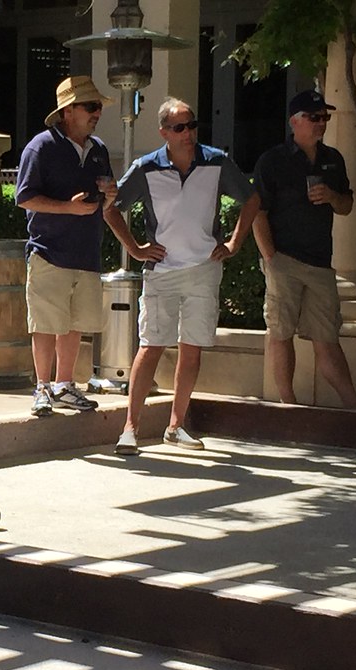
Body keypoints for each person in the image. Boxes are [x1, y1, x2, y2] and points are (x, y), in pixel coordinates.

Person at [104, 97, 260, 455]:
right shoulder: (146, 168)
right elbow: (111, 210)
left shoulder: (217, 162)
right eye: (180, 128)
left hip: (204, 269)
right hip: (162, 271)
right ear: (164, 133)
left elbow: (251, 200)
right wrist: (135, 248)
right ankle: (130, 428)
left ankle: (176, 427)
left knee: (192, 350)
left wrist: (234, 243)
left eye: (192, 125)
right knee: (151, 346)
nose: (188, 133)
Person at [15, 75, 118, 417]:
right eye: (91, 106)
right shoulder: (40, 147)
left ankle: (65, 385)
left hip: (86, 254)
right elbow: (25, 198)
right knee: (45, 323)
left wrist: (109, 198)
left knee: (74, 323)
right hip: (48, 252)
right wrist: (68, 208)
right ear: (68, 111)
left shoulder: (99, 150)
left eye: (98, 106)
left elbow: (104, 199)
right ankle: (42, 387)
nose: (97, 112)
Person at [252, 90, 356, 409]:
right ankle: (288, 406)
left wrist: (332, 197)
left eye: (324, 117)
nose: (322, 123)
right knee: (281, 334)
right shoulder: (273, 160)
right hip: (284, 259)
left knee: (328, 339)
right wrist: (271, 258)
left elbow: (347, 206)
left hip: (321, 265)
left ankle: (353, 408)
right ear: (295, 121)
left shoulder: (333, 159)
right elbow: (258, 213)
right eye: (315, 117)